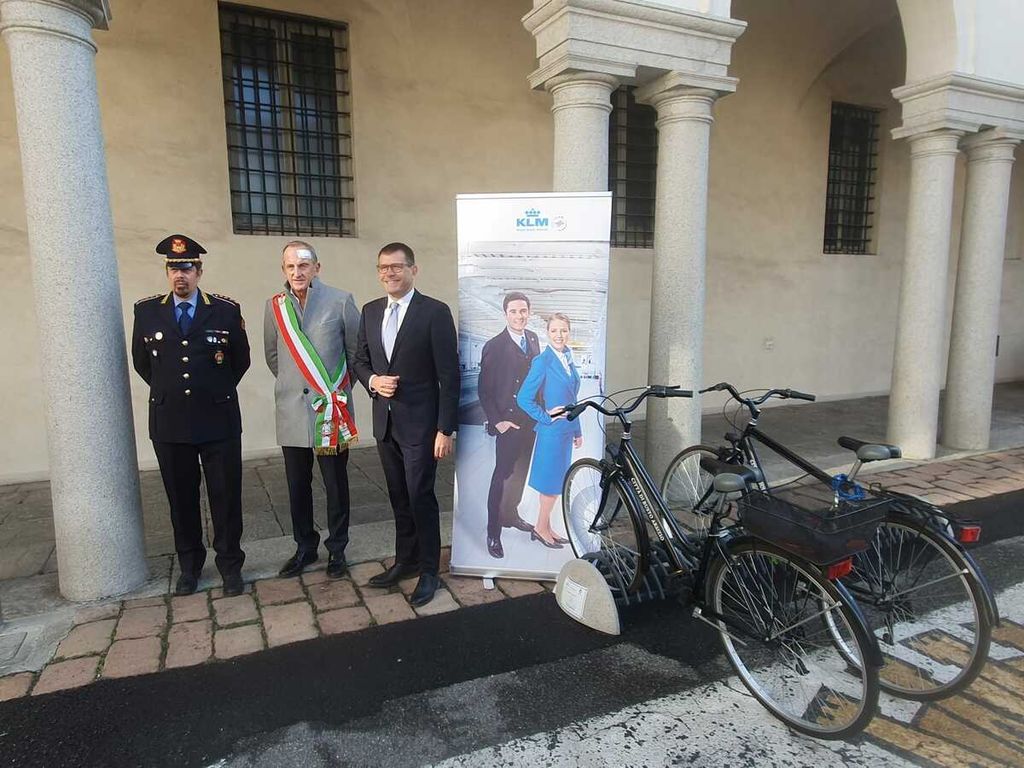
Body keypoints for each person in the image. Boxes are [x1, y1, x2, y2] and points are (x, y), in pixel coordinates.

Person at [131, 234, 251, 596]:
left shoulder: (225, 311)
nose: (179, 275)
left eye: (186, 268)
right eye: (173, 268)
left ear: (199, 271)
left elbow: (240, 361)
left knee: (225, 497)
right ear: (167, 272)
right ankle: (190, 566)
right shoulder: (147, 312)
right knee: (181, 500)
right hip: (170, 422)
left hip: (218, 418)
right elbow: (142, 363)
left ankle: (230, 565)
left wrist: (210, 390)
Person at [352, 242, 459, 607]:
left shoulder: (434, 312)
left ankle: (429, 570)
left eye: (397, 266)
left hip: (422, 427)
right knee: (399, 496)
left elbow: (449, 374)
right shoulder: (370, 311)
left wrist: (445, 429)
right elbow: (359, 360)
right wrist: (373, 381)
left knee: (420, 496)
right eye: (383, 267)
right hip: (385, 423)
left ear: (413, 270)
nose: (389, 273)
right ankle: (406, 560)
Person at [264, 241, 361, 580]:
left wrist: (335, 394)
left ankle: (338, 549)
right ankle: (305, 547)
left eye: (303, 265)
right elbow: (273, 356)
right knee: (297, 485)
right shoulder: (274, 307)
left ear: (317, 268)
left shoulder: (341, 301)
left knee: (335, 484)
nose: (297, 272)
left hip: (331, 411)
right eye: (290, 266)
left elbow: (356, 353)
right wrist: (295, 387)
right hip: (292, 411)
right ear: (284, 270)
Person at [477, 292, 540, 559]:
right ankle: (493, 531)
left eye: (523, 311)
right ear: (505, 314)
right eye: (513, 311)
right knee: (502, 476)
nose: (519, 316)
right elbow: (484, 389)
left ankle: (511, 515)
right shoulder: (494, 346)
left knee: (521, 471)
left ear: (529, 312)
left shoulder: (533, 339)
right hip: (508, 421)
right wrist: (497, 421)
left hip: (530, 422)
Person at [516, 313, 581, 548]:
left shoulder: (568, 358)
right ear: (547, 333)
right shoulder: (543, 361)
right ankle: (540, 528)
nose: (559, 335)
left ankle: (546, 526)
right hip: (551, 434)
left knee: (555, 483)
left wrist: (577, 430)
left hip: (565, 431)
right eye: (554, 330)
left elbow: (573, 399)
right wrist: (546, 416)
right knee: (550, 485)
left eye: (563, 330)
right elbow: (523, 398)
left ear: (569, 332)